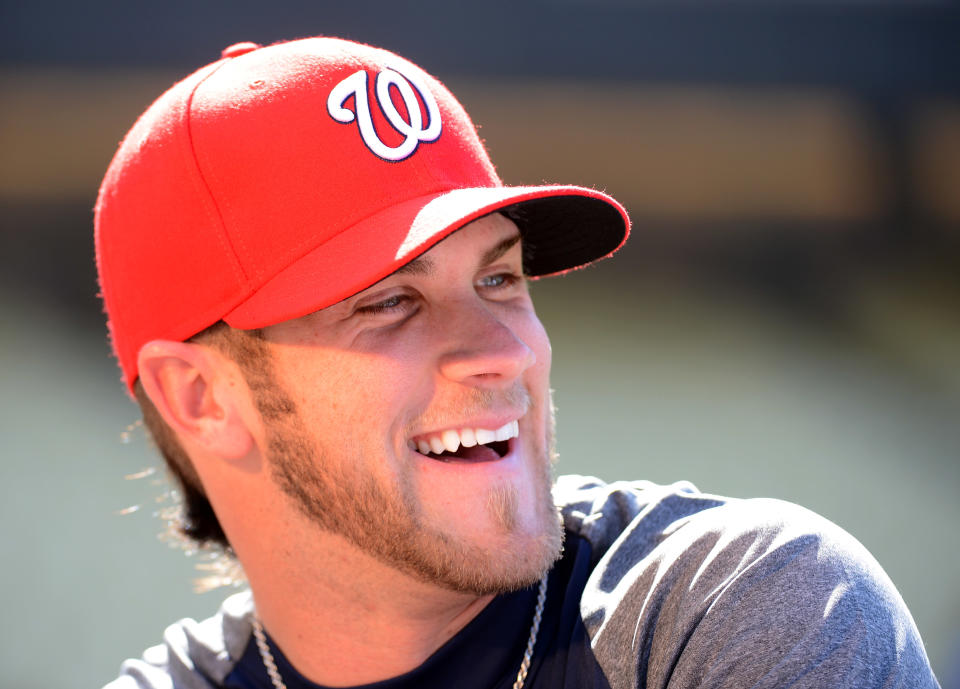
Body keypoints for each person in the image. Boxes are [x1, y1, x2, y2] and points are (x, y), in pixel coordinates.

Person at [95, 36, 940, 689]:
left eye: (500, 276)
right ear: (201, 395)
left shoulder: (737, 607)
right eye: (389, 301)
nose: (503, 349)